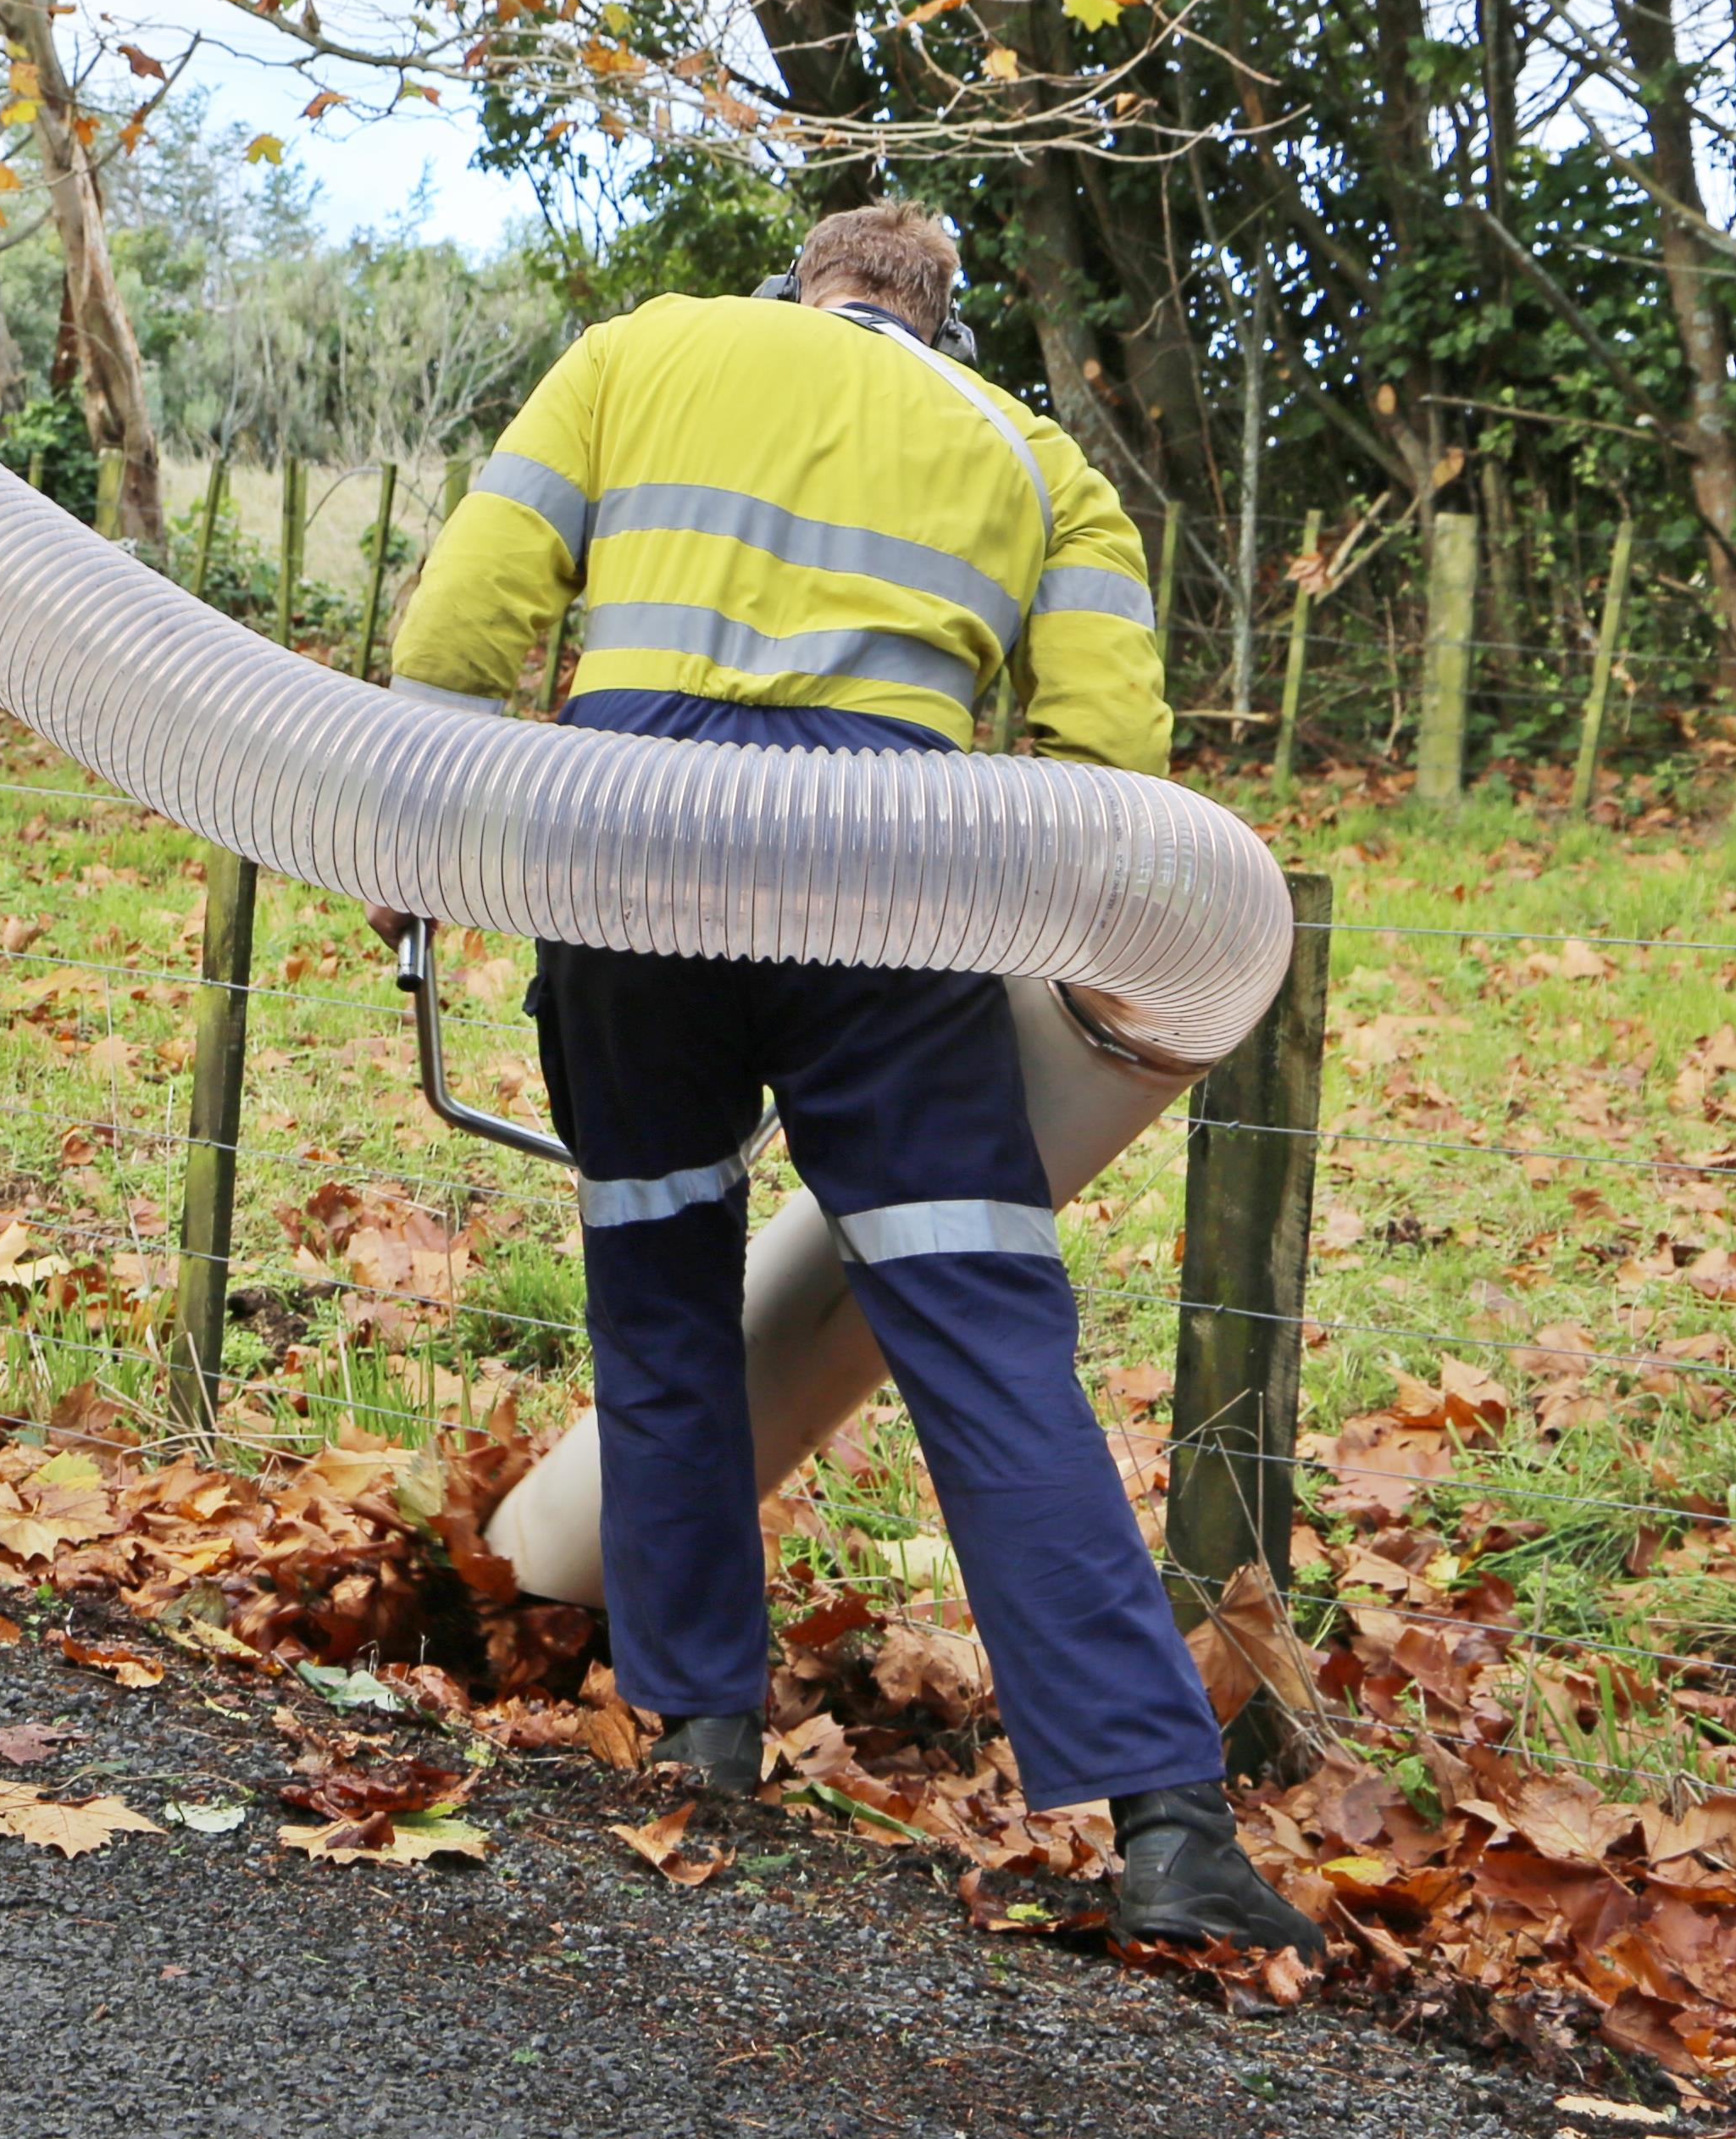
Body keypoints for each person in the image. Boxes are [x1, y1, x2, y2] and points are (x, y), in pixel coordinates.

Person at [378, 198, 1317, 1956]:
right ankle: (1169, 1824)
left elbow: (471, 614)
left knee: (663, 1296)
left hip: (625, 867)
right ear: (939, 324)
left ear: (804, 287)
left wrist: (410, 840)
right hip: (895, 899)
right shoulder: (1034, 458)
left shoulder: (638, 352)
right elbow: (1108, 753)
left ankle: (706, 1740)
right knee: (977, 1331)